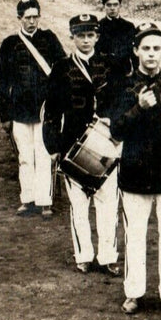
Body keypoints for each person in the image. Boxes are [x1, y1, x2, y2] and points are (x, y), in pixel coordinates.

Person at [108, 23, 161, 318]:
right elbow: (116, 129)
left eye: (157, 48)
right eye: (146, 48)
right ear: (135, 51)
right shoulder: (124, 85)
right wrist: (138, 108)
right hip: (135, 174)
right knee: (135, 235)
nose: (152, 54)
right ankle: (133, 293)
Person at [43, 14, 121, 275]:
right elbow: (52, 111)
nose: (86, 40)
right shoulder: (62, 68)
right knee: (78, 206)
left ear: (97, 36)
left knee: (108, 203)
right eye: (80, 35)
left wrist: (114, 121)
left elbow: (122, 102)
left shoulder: (109, 65)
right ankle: (84, 255)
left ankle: (108, 255)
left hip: (106, 143)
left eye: (90, 35)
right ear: (71, 37)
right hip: (73, 144)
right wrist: (53, 146)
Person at [0, 0, 66, 217]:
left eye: (36, 17)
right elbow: (1, 82)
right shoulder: (9, 44)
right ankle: (27, 199)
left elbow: (63, 69)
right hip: (20, 110)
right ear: (19, 18)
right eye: (28, 17)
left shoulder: (49, 39)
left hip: (45, 110)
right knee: (25, 156)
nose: (32, 22)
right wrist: (5, 115)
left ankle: (45, 201)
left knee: (44, 154)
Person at [94, 0, 137, 87]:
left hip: (125, 73)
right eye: (108, 5)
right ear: (104, 6)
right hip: (104, 75)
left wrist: (136, 75)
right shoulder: (99, 26)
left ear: (120, 5)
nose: (112, 8)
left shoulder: (128, 26)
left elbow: (134, 53)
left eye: (115, 5)